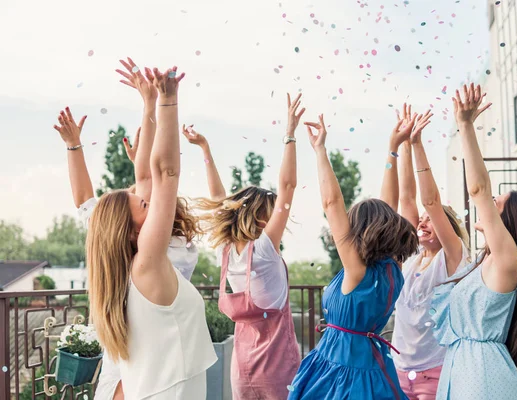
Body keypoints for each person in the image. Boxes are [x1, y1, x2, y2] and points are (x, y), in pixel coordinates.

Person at [53, 58, 204, 400]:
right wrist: (166, 101)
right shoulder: (147, 264)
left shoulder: (128, 268)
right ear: (134, 233)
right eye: (143, 205)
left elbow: (148, 178)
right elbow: (161, 175)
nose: (147, 199)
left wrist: (150, 105)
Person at [430, 83, 517, 399]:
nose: (489, 201)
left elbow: (479, 190)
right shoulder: (483, 262)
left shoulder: (506, 258)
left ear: (510, 222)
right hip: (464, 371)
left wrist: (466, 126)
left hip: (482, 379)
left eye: (498, 202)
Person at [288, 114, 419, 400]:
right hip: (372, 368)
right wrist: (392, 150)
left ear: (359, 230)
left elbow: (331, 202)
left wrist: (320, 150)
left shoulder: (356, 269)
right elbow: (390, 206)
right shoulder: (392, 267)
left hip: (338, 374)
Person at [188, 93, 304, 399]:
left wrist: (205, 149)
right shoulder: (265, 250)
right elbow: (289, 186)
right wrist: (290, 134)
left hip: (242, 368)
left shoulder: (226, 252)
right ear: (262, 218)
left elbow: (218, 199)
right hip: (276, 369)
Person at [380, 104, 471, 400]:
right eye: (422, 219)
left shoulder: (452, 257)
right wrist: (404, 140)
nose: (422, 221)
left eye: (430, 220)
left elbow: (430, 201)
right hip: (398, 367)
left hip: (435, 369)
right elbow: (406, 196)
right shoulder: (411, 256)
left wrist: (417, 146)